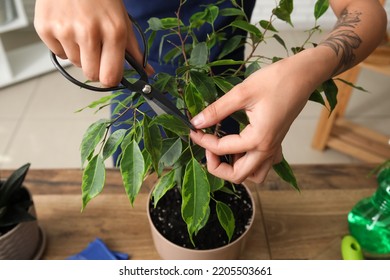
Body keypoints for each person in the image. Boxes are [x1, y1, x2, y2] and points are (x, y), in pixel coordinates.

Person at [34, 0, 387, 184]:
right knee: (141, 180)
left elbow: (365, 10)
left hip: (229, 92)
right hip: (139, 88)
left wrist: (310, 68)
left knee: (221, 175)